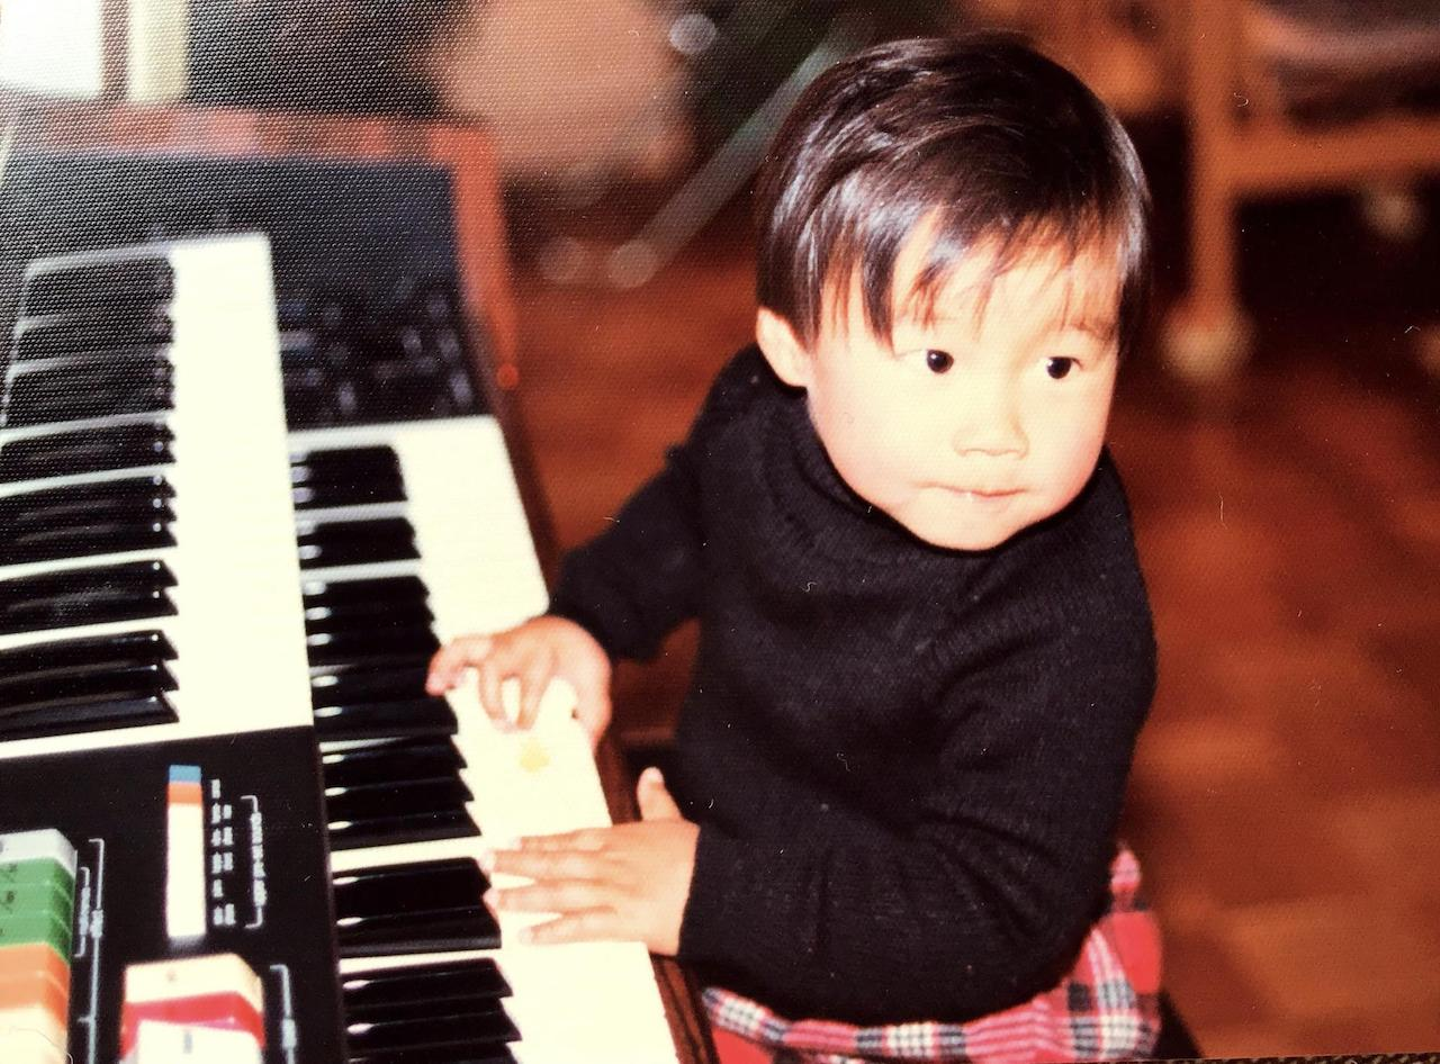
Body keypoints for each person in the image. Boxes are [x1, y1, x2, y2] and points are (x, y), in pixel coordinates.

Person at [427, 33, 1162, 1063]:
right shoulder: (760, 414)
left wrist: (710, 893)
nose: (1000, 432)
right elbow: (691, 510)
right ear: (792, 348)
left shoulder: (1071, 617)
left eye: (1059, 364)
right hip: (737, 872)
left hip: (942, 972)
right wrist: (587, 619)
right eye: (938, 356)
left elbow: (993, 921)